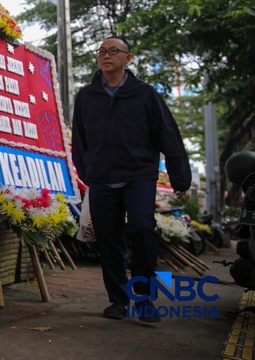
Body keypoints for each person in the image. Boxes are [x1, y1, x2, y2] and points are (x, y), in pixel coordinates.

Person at [71, 35, 191, 323]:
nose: (106, 55)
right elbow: (80, 139)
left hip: (138, 175)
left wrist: (180, 180)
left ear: (128, 58)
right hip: (101, 179)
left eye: (113, 51)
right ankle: (118, 300)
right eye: (101, 51)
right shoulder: (87, 96)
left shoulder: (146, 94)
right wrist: (89, 172)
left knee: (142, 229)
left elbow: (168, 136)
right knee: (108, 239)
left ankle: (144, 297)